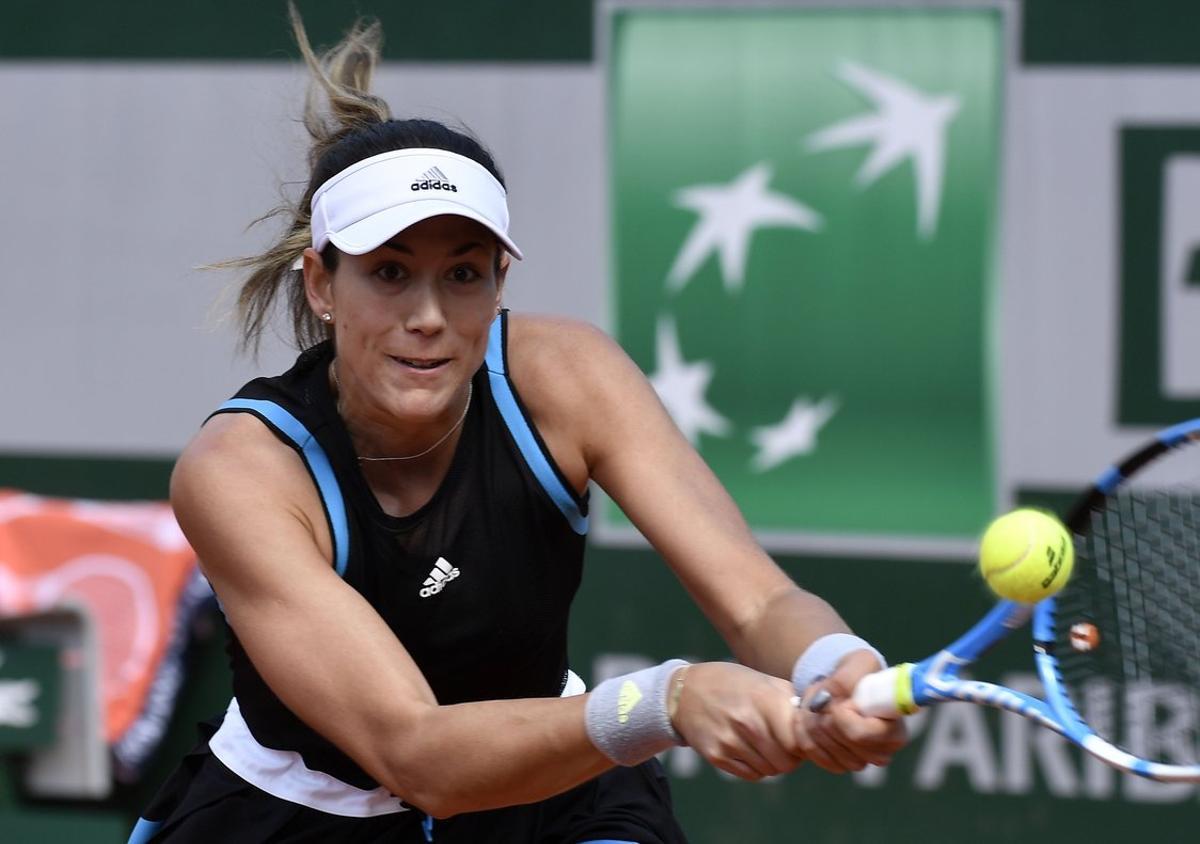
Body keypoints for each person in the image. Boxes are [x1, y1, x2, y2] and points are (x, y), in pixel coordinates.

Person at [131, 8, 906, 843]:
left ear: (501, 280)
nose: (428, 316)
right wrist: (669, 701)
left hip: (552, 790)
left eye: (463, 274)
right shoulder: (242, 472)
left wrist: (833, 664)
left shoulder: (566, 376)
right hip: (305, 817)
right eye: (389, 273)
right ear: (321, 284)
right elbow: (418, 754)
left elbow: (760, 603)